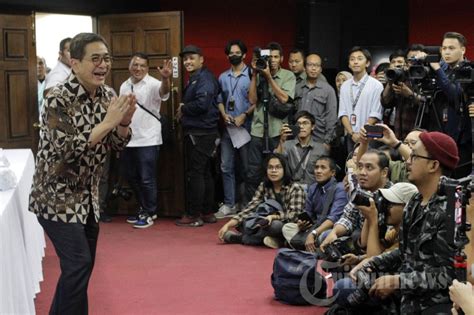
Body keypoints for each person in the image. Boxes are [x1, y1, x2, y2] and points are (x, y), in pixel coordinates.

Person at [29, 32, 136, 315]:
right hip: (55, 197)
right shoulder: (57, 98)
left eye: (107, 58)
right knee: (78, 264)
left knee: (80, 268)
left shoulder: (108, 95)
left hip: (88, 198)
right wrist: (109, 122)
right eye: (95, 59)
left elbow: (117, 143)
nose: (103, 65)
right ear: (74, 63)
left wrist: (123, 123)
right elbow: (67, 149)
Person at [365, 131, 460, 314]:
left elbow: (451, 276)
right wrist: (371, 263)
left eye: (414, 156)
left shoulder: (452, 210)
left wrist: (399, 281)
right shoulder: (415, 202)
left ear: (433, 165)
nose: (407, 162)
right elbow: (404, 252)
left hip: (437, 305)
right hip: (407, 300)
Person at [332, 182, 418, 309]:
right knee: (340, 266)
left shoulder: (410, 234)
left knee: (342, 287)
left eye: (391, 204)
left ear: (406, 207)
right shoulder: (394, 231)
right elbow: (366, 245)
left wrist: (373, 219)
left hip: (395, 286)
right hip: (381, 273)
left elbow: (373, 256)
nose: (386, 207)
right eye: (385, 203)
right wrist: (358, 259)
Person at [119, 52, 171, 228]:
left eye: (142, 65)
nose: (138, 68)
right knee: (131, 176)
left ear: (147, 68)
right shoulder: (124, 85)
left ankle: (149, 212)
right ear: (130, 66)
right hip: (128, 138)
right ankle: (143, 208)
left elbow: (164, 92)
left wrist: (165, 79)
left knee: (147, 178)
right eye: (135, 65)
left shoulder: (154, 83)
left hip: (148, 138)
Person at [218, 153, 305, 248]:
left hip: (287, 225)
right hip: (266, 223)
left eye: (278, 167)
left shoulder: (295, 188)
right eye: (270, 167)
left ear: (285, 170)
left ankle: (242, 238)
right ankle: (273, 240)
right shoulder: (264, 186)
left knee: (275, 226)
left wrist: (274, 216)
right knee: (245, 222)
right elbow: (251, 208)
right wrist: (229, 224)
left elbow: (295, 215)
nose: (273, 171)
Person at [175, 45, 220, 227]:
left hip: (201, 133)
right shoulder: (195, 78)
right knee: (204, 173)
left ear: (201, 59)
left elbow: (202, 104)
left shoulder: (205, 78)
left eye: (191, 58)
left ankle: (194, 215)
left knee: (196, 174)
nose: (188, 61)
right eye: (185, 59)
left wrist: (183, 108)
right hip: (201, 132)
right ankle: (207, 212)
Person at [246, 42, 296, 201]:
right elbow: (252, 100)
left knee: (277, 171)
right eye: (269, 57)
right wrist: (255, 75)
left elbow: (284, 99)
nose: (272, 60)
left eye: (276, 57)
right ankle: (253, 209)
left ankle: (275, 206)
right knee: (253, 172)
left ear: (281, 58)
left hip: (277, 131)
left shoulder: (288, 75)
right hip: (257, 130)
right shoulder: (258, 74)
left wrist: (268, 77)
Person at [420, 32, 471, 178]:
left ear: (463, 50)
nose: (446, 52)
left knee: (458, 181)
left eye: (451, 48)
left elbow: (455, 94)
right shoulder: (439, 69)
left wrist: (437, 69)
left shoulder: (468, 71)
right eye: (443, 48)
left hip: (461, 138)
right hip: (437, 131)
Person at [320, 149, 391, 251]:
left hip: (378, 245)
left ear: (384, 172)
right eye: (360, 167)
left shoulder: (392, 198)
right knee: (326, 236)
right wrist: (334, 232)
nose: (362, 172)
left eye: (369, 167)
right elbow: (348, 217)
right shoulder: (361, 189)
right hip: (359, 238)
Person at [215, 39, 253, 219]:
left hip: (247, 128)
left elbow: (257, 101)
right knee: (225, 166)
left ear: (244, 55)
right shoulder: (223, 77)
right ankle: (229, 204)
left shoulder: (253, 74)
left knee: (247, 168)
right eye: (231, 53)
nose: (234, 55)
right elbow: (219, 100)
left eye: (237, 52)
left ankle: (246, 204)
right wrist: (224, 115)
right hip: (228, 129)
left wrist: (244, 115)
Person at [281, 156, 347, 251]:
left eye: (323, 168)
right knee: (287, 228)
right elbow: (308, 213)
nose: (318, 171)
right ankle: (311, 247)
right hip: (315, 226)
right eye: (316, 167)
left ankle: (303, 245)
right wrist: (302, 224)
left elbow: (333, 218)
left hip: (331, 228)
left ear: (332, 173)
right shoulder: (313, 188)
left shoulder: (340, 189)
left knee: (325, 236)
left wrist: (314, 233)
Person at [338, 46, 384, 153]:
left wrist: (361, 133)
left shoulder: (376, 85)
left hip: (371, 135)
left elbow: (375, 114)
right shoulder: (345, 85)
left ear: (367, 63)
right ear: (349, 64)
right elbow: (342, 113)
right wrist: (352, 133)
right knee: (351, 166)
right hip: (351, 136)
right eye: (352, 59)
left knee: (370, 166)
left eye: (359, 58)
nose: (355, 62)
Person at [294, 53, 338, 147]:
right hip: (298, 138)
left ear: (321, 69)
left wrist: (327, 141)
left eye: (317, 65)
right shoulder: (297, 88)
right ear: (305, 67)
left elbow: (331, 118)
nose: (313, 68)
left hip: (319, 139)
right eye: (310, 65)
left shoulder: (328, 90)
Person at [275, 110, 328, 187]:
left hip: (314, 189)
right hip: (292, 189)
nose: (302, 127)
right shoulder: (287, 145)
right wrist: (282, 140)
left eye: (305, 123)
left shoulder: (321, 148)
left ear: (312, 127)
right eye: (298, 124)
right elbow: (276, 162)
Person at [381, 49, 420, 140]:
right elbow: (385, 102)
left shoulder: (415, 80)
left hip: (416, 133)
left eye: (399, 62)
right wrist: (390, 81)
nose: (396, 65)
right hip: (398, 134)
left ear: (406, 64)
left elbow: (424, 104)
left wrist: (409, 94)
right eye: (393, 62)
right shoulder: (393, 82)